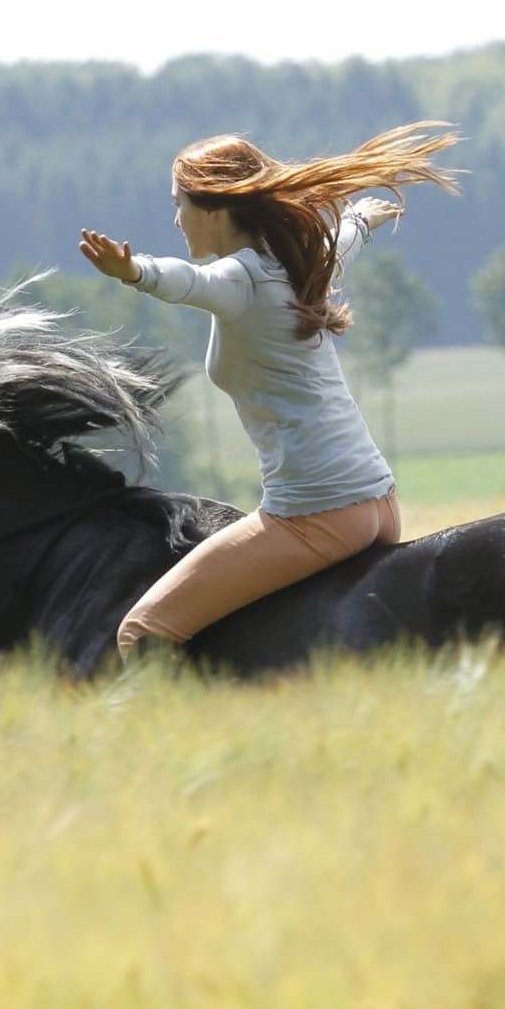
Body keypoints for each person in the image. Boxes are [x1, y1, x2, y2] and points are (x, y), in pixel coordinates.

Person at [78, 121, 462, 660]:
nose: (175, 217)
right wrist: (361, 220)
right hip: (376, 502)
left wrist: (133, 271)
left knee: (141, 633)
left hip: (316, 509)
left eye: (179, 203)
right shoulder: (294, 262)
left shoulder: (241, 278)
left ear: (213, 207)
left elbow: (189, 282)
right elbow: (341, 240)